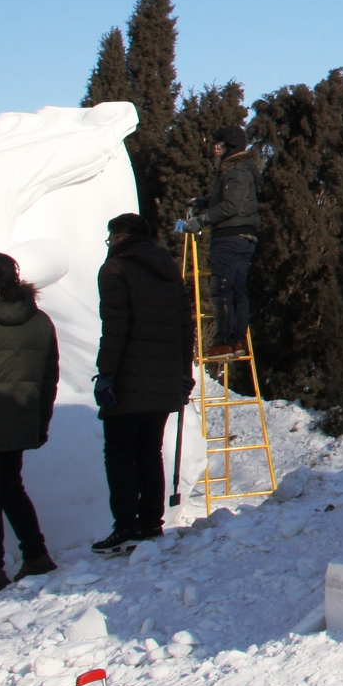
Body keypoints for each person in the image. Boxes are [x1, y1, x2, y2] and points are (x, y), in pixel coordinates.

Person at [93, 213, 194, 555]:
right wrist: (184, 374)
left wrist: (106, 373)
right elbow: (185, 326)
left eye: (110, 239)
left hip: (128, 380)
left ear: (120, 237)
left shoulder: (115, 270)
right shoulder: (169, 271)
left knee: (119, 452)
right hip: (165, 381)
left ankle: (125, 527)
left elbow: (115, 327)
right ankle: (152, 523)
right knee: (150, 450)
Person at [0, 253, 59, 595]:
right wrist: (40, 422)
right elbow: (49, 378)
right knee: (10, 489)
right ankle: (35, 555)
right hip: (20, 417)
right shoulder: (40, 320)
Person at [178, 125, 260, 357]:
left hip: (230, 237)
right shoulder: (244, 170)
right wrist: (207, 202)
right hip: (245, 235)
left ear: (229, 147)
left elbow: (232, 206)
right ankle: (237, 341)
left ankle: (223, 340)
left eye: (219, 145)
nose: (215, 149)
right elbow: (237, 201)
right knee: (237, 289)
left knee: (222, 288)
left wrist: (201, 220)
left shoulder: (234, 170)